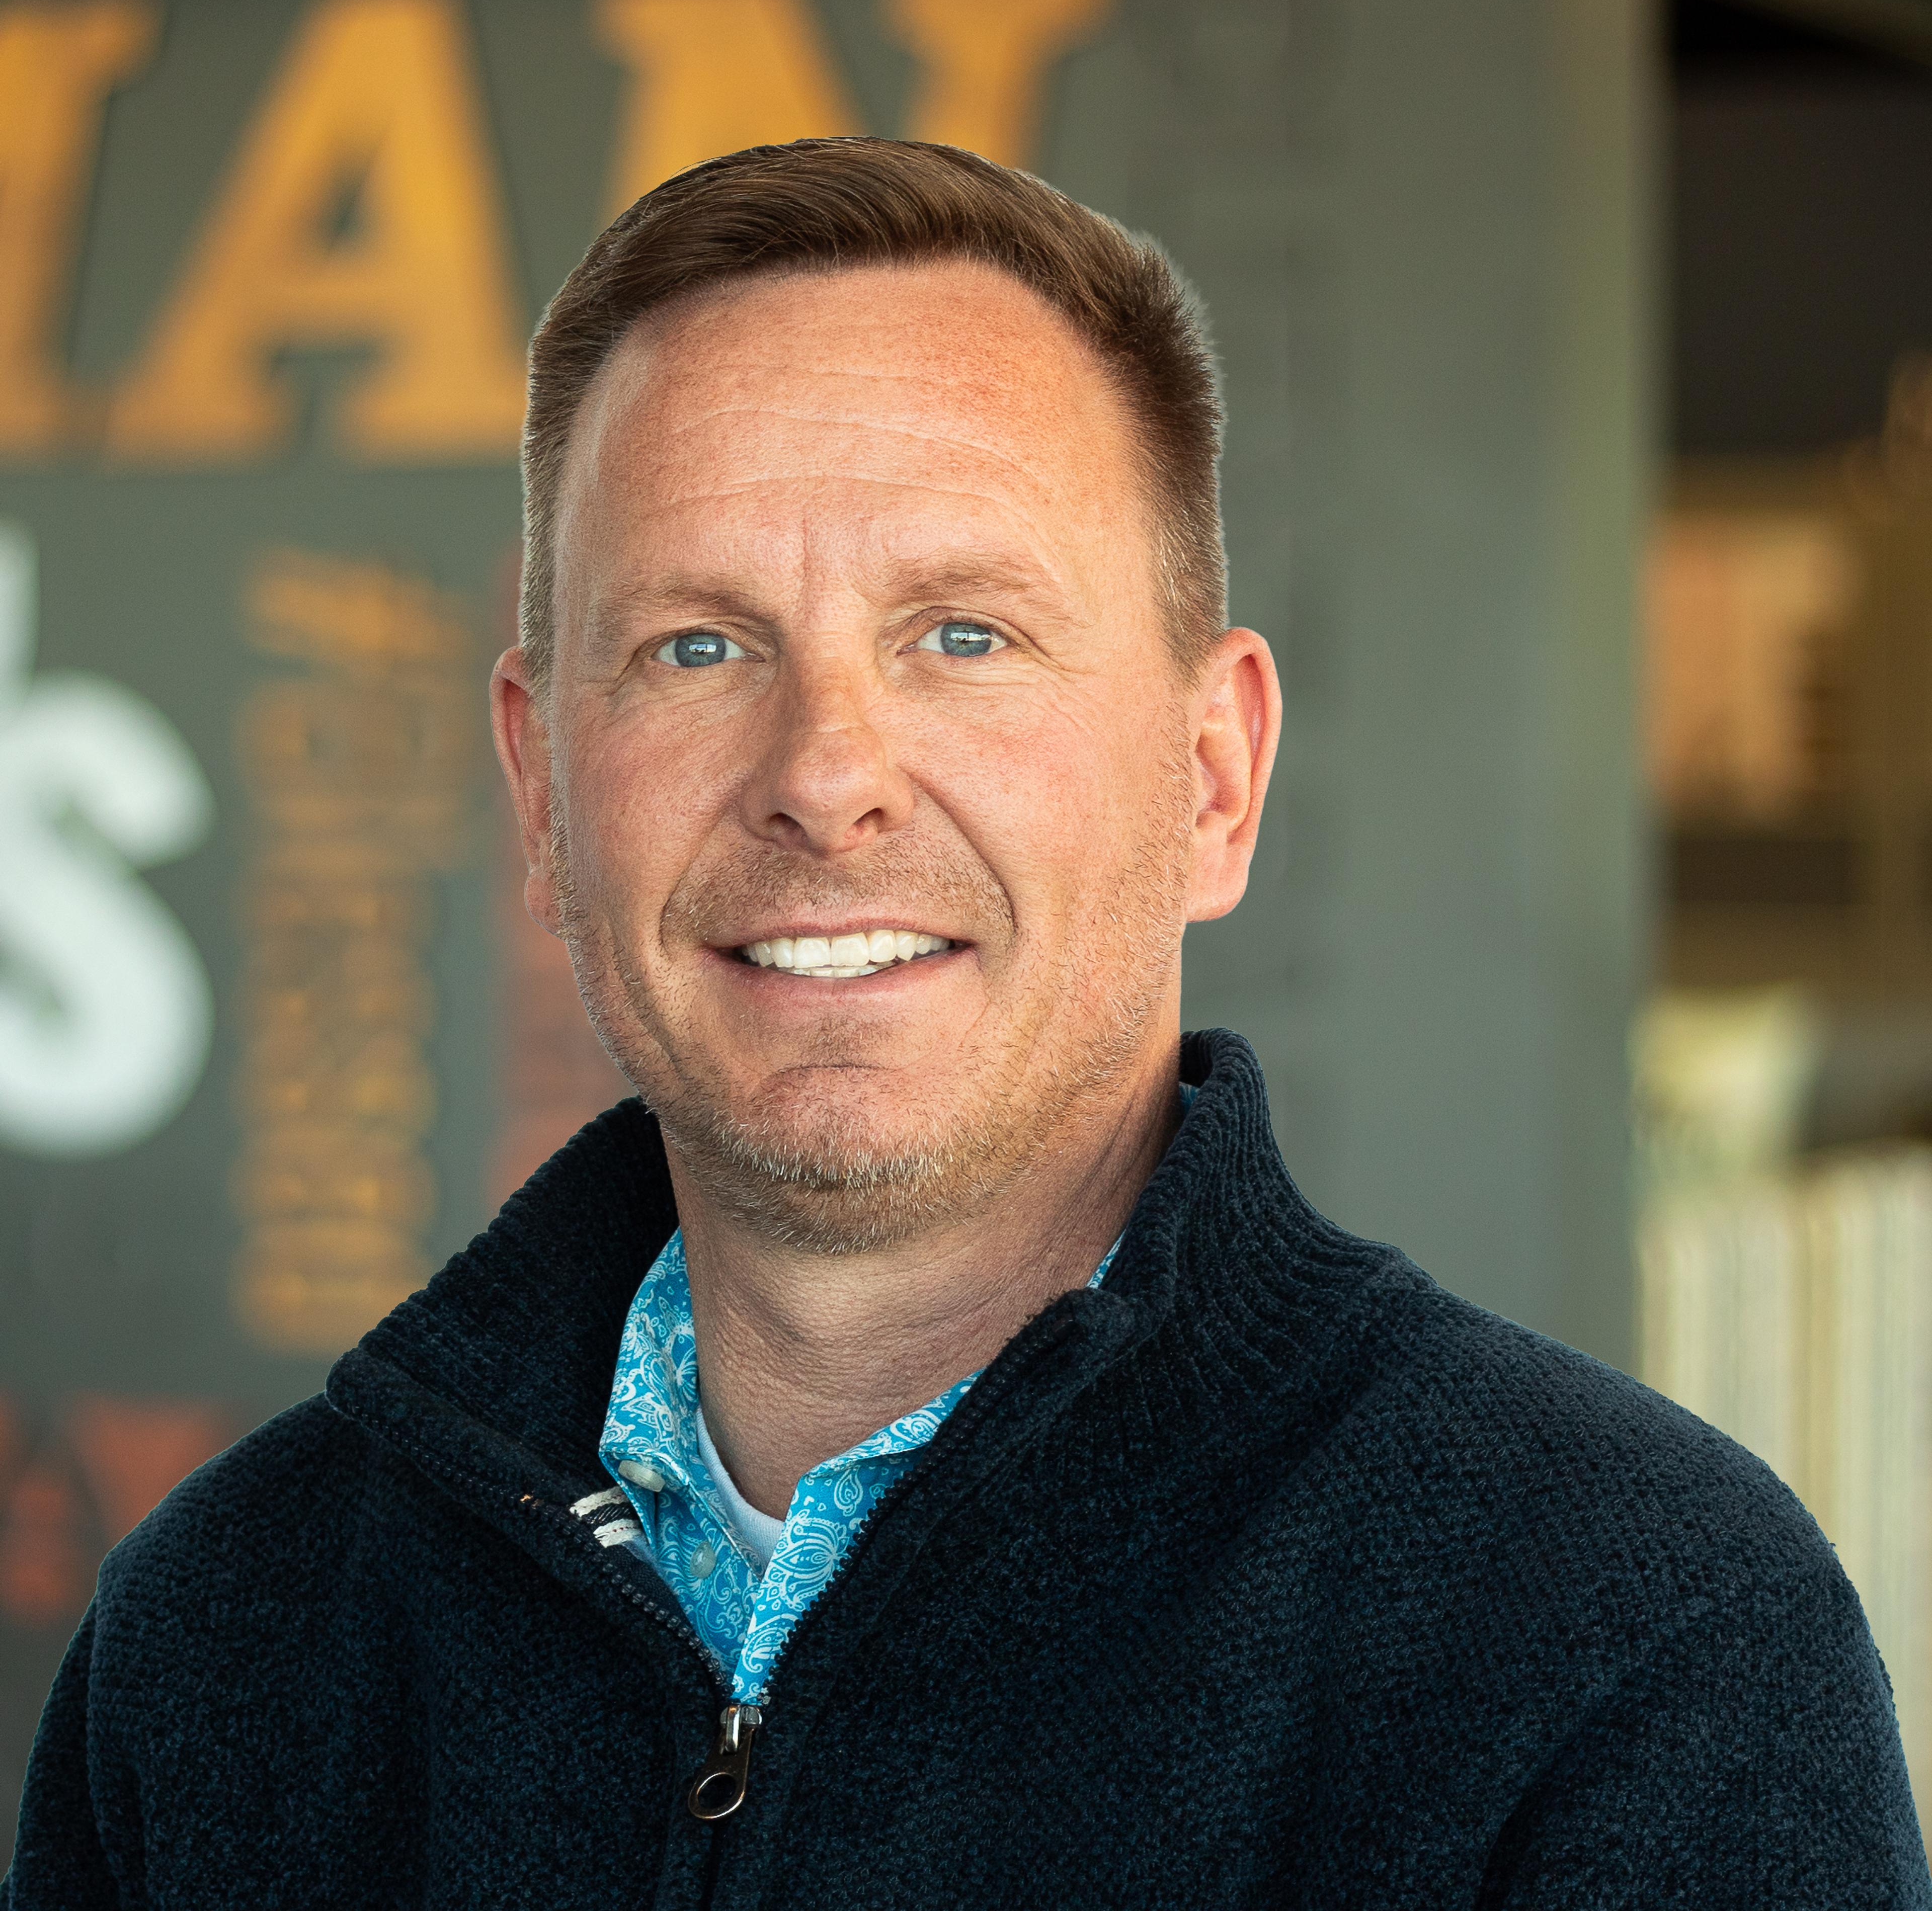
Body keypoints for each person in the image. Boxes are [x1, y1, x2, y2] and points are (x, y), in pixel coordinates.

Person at [5, 137, 1926, 1909]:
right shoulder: (221, 1641)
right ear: (540, 792)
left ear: (1213, 778)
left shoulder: (1625, 1641)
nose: (825, 777)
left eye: (965, 636)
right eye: (698, 645)